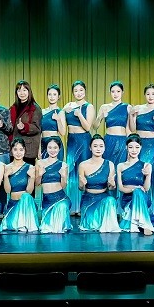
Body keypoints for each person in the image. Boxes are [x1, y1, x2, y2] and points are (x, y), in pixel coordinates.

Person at [130, 83, 154, 212]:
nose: (151, 96)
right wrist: (133, 116)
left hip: (151, 144)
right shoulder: (138, 108)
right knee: (136, 171)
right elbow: (132, 129)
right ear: (144, 95)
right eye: (148, 94)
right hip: (138, 144)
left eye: (153, 94)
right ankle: (137, 205)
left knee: (148, 172)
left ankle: (150, 208)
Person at [63, 80, 96, 215]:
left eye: (81, 90)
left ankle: (84, 205)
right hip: (71, 140)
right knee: (72, 172)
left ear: (85, 91)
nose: (78, 93)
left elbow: (88, 127)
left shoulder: (89, 106)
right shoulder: (68, 105)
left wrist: (79, 114)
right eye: (76, 91)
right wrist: (65, 111)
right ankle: (73, 206)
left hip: (83, 140)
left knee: (83, 171)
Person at [77, 134, 120, 232]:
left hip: (104, 197)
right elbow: (81, 188)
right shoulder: (83, 165)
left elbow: (111, 188)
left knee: (111, 200)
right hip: (89, 198)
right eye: (95, 146)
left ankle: (108, 228)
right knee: (92, 225)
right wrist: (82, 184)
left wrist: (112, 184)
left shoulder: (110, 164)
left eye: (101, 146)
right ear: (90, 148)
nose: (98, 149)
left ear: (104, 148)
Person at [116, 134, 154, 235]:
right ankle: (143, 223)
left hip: (142, 198)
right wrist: (134, 189)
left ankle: (144, 225)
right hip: (127, 199)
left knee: (138, 192)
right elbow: (121, 188)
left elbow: (146, 188)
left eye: (137, 147)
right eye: (131, 147)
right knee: (137, 191)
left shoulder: (146, 165)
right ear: (126, 147)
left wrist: (148, 175)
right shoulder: (120, 166)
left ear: (141, 148)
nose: (134, 150)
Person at [1, 138, 39, 233]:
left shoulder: (30, 167)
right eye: (15, 149)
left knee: (26, 196)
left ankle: (26, 224)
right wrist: (6, 176)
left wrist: (32, 177)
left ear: (25, 151)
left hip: (26, 205)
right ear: (11, 151)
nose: (18, 153)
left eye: (21, 150)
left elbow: (29, 191)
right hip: (13, 204)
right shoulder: (7, 167)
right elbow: (7, 191)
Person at [36, 136, 71, 233]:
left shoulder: (63, 165)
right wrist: (40, 175)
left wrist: (63, 176)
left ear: (59, 149)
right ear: (46, 148)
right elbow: (37, 184)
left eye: (55, 148)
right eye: (50, 147)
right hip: (47, 200)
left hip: (61, 198)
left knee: (61, 207)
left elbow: (63, 186)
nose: (52, 150)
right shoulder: (40, 163)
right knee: (46, 229)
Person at [95, 81, 131, 168]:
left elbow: (128, 128)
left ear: (122, 92)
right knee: (108, 167)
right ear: (110, 92)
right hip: (109, 140)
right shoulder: (104, 107)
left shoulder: (127, 107)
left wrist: (129, 144)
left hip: (122, 141)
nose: (115, 94)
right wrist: (101, 116)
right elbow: (95, 126)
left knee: (120, 167)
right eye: (113, 91)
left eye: (118, 91)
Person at [10, 80, 43, 165]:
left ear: (29, 92)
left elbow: (37, 128)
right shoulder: (13, 107)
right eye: (19, 90)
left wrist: (25, 127)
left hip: (28, 149)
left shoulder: (34, 108)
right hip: (14, 148)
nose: (22, 93)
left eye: (24, 90)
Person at [41, 84, 66, 160]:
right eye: (50, 94)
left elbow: (63, 132)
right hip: (43, 143)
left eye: (54, 94)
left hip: (55, 144)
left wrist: (58, 119)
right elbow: (39, 132)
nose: (52, 97)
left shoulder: (60, 112)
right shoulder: (42, 111)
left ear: (58, 97)